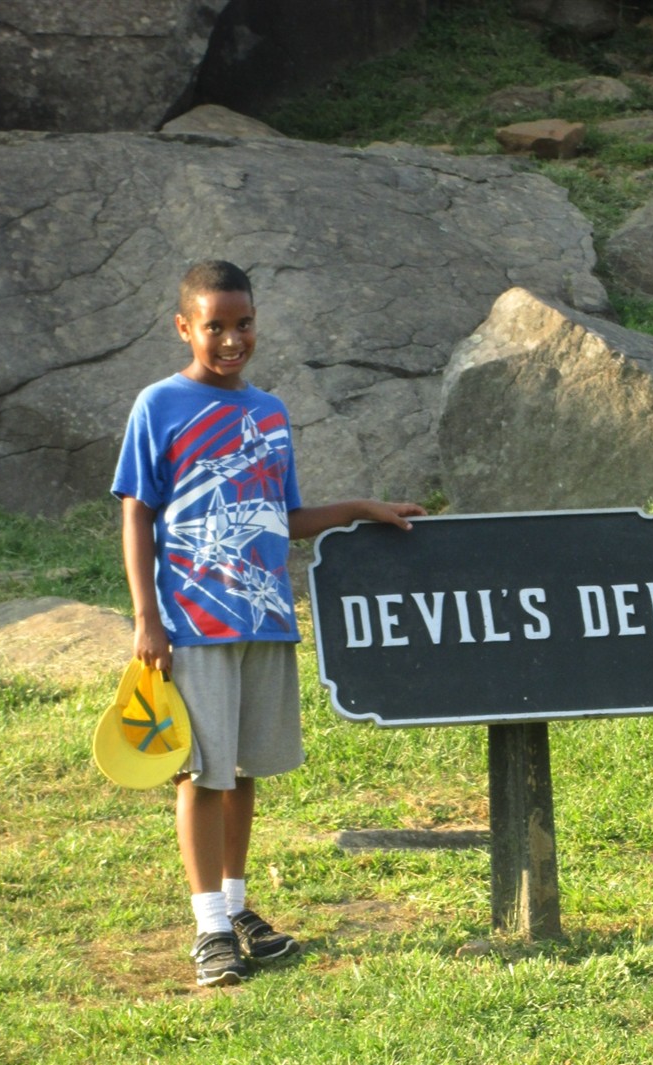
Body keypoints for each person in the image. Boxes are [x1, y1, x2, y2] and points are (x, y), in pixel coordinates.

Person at [112, 259, 425, 987]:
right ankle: (209, 930)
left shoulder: (271, 413)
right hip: (192, 626)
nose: (231, 339)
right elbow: (136, 512)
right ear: (184, 327)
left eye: (243, 323)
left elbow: (283, 518)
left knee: (244, 770)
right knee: (202, 773)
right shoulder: (158, 405)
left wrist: (359, 509)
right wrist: (146, 618)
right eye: (214, 326)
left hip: (266, 621)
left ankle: (236, 907)